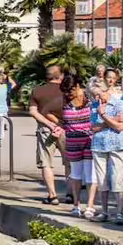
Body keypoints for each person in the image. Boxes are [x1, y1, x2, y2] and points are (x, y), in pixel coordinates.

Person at [91, 76, 123, 224]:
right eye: (93, 94)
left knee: (117, 178)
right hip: (99, 145)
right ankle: (104, 211)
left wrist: (104, 116)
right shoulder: (94, 105)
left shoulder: (119, 104)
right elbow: (93, 128)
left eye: (98, 94)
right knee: (102, 180)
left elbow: (120, 126)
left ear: (106, 90)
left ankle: (119, 212)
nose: (96, 97)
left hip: (117, 145)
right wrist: (110, 122)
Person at [30, 63, 71, 205]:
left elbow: (33, 111)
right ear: (60, 76)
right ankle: (70, 193)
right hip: (66, 129)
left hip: (45, 130)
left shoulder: (38, 91)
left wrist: (49, 124)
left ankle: (52, 195)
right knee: (69, 162)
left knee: (46, 163)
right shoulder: (68, 91)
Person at [63, 80, 97, 217]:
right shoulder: (65, 103)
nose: (68, 94)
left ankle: (90, 206)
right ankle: (76, 205)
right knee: (76, 174)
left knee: (90, 174)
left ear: (77, 87)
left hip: (89, 140)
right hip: (72, 141)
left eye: (70, 90)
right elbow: (47, 110)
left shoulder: (90, 101)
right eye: (66, 91)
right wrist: (55, 124)